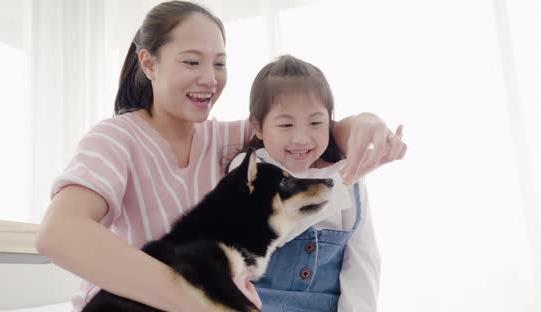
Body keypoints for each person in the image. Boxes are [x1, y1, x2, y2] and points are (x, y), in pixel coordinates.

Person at [35, 1, 406, 311]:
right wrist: (200, 300)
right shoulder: (116, 138)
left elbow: (298, 130)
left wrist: (362, 124)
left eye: (219, 63)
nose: (210, 79)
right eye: (192, 62)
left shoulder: (224, 137)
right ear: (149, 64)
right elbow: (58, 234)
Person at [229, 54, 384, 312]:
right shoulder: (249, 168)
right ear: (258, 126)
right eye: (286, 124)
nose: (301, 138)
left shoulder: (346, 172)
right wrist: (342, 183)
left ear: (330, 122)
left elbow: (362, 260)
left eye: (315, 122)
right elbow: (270, 232)